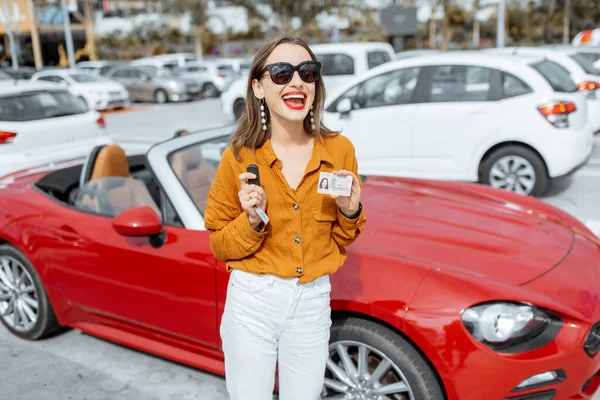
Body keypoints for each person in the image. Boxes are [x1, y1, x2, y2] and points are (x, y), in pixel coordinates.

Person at [203, 36, 366, 400]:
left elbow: (343, 237)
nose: (297, 82)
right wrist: (252, 222)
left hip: (311, 299)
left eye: (307, 72)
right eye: (281, 73)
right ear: (258, 87)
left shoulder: (340, 150)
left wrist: (350, 210)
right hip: (253, 300)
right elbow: (218, 241)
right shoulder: (240, 157)